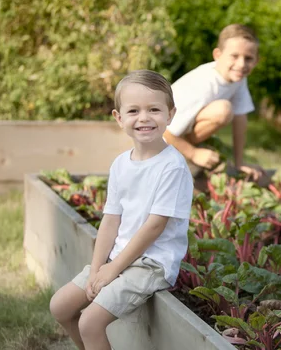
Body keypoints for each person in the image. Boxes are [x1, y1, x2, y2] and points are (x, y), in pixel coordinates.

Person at [49, 70, 193, 350]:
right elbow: (111, 219)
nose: (144, 118)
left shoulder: (171, 167)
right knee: (60, 307)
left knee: (90, 322)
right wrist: (96, 269)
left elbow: (155, 226)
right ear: (119, 118)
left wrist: (113, 269)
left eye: (154, 109)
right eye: (134, 110)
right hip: (119, 257)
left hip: (152, 262)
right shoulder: (121, 164)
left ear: (170, 114)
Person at [163, 23, 265, 181]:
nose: (241, 64)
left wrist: (239, 163)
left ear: (256, 61)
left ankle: (185, 149)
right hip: (157, 133)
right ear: (217, 54)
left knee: (226, 111)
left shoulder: (238, 78)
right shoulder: (205, 84)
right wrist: (193, 153)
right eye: (234, 56)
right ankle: (182, 152)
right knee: (223, 110)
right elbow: (163, 129)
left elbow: (240, 118)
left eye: (248, 58)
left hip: (177, 132)